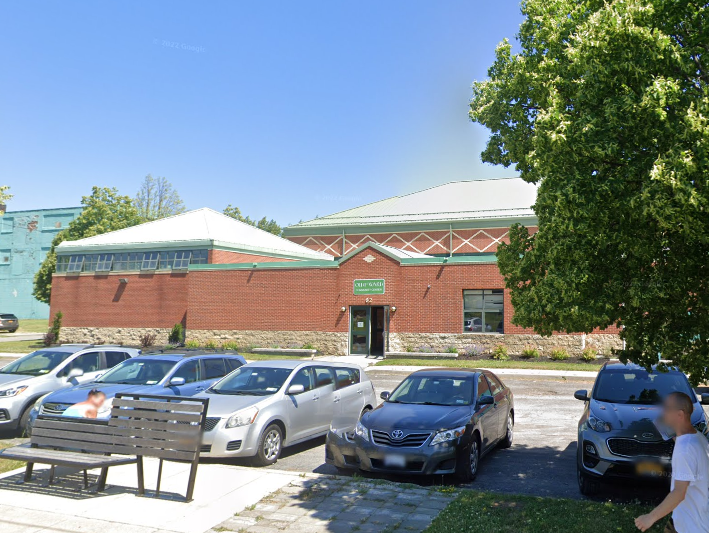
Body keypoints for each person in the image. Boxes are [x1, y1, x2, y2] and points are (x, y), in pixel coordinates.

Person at [635, 392, 709, 532]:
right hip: (684, 519)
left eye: (667, 408)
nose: (663, 412)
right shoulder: (696, 437)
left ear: (679, 414)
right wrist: (668, 431)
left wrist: (650, 518)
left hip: (691, 527)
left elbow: (679, 492)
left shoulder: (685, 450)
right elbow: (684, 443)